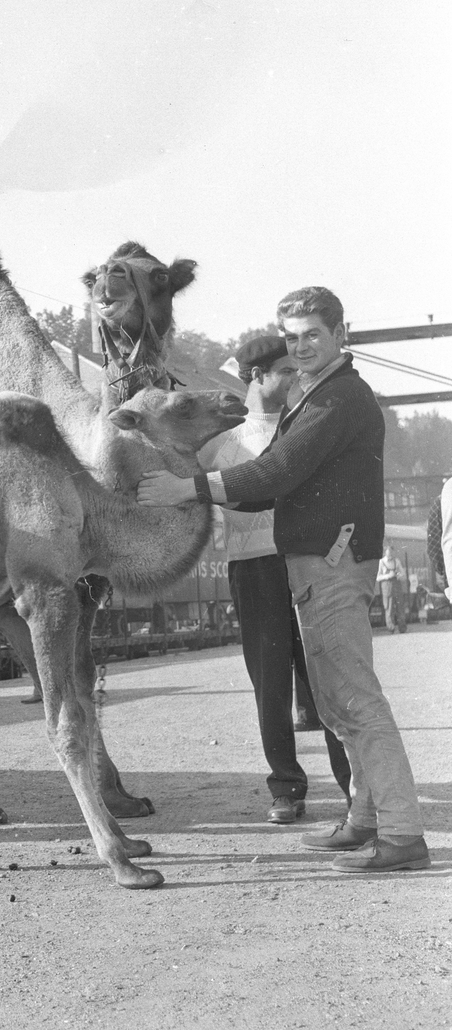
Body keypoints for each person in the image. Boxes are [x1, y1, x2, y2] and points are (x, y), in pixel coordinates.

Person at [139, 287, 429, 873]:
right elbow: (273, 488)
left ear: (341, 334)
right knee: (335, 702)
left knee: (356, 700)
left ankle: (403, 835)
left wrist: (189, 489)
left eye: (311, 335)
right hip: (314, 561)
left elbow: (279, 469)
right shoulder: (316, 394)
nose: (299, 348)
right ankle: (364, 819)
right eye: (290, 337)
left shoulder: (338, 398)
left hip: (330, 561)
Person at [197, 334, 351, 825]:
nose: (295, 378)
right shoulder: (219, 445)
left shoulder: (302, 428)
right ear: (256, 376)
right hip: (252, 571)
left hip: (301, 562)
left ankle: (353, 786)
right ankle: (286, 788)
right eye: (285, 371)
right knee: (269, 684)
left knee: (325, 679)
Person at [376, 543, 408, 633]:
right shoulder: (381, 562)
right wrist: (388, 576)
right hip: (387, 588)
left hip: (397, 587)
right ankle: (391, 628)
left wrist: (399, 576)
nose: (390, 555)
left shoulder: (396, 561)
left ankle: (402, 628)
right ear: (385, 553)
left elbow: (404, 575)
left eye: (391, 553)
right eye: (388, 553)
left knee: (400, 608)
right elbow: (378, 577)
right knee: (389, 609)